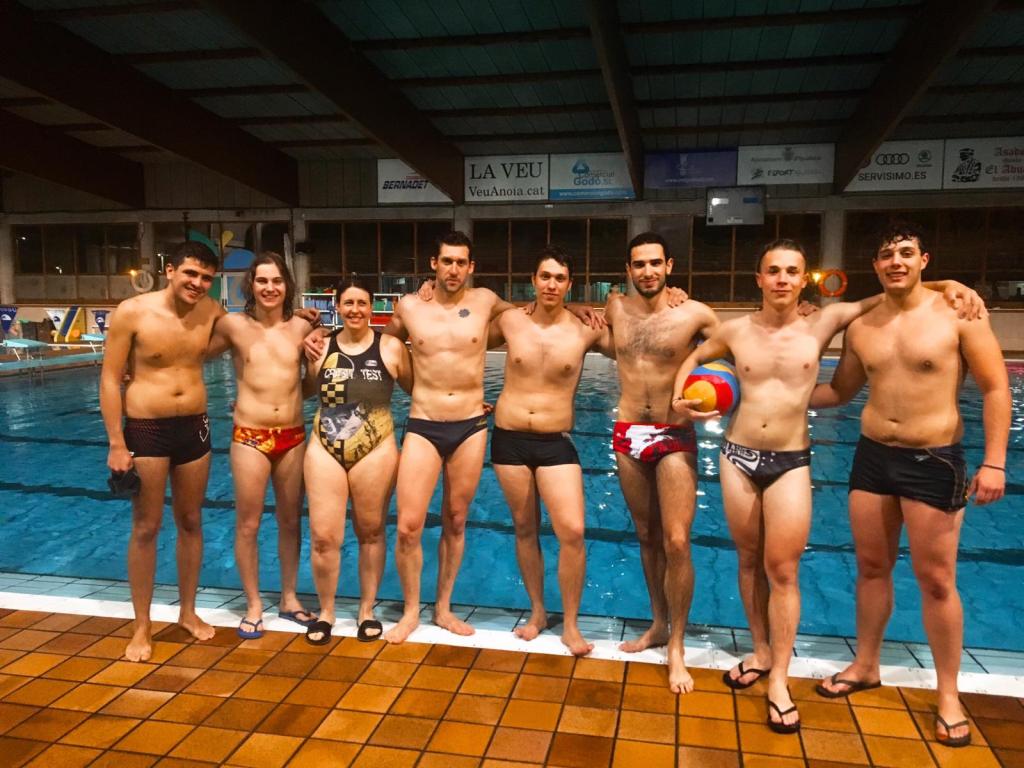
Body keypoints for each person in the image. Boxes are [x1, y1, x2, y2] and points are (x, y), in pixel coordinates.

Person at [672, 238, 983, 733]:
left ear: (804, 279)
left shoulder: (826, 320)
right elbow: (692, 360)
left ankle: (779, 679)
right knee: (748, 560)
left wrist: (949, 284)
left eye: (791, 271)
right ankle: (760, 651)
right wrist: (680, 399)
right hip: (737, 455)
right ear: (759, 278)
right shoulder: (735, 330)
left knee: (783, 569)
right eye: (773, 270)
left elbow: (892, 291)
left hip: (790, 460)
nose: (782, 279)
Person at [811, 223, 1009, 748]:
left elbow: (995, 388)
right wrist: (766, 394)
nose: (895, 261)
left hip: (934, 460)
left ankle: (949, 694)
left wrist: (995, 462)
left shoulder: (959, 313)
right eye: (885, 255)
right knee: (872, 568)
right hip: (872, 457)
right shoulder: (863, 326)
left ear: (924, 259)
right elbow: (839, 391)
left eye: (905, 252)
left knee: (937, 580)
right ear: (875, 266)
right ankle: (866, 664)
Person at [602, 231, 719, 693]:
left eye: (655, 263)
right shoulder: (615, 307)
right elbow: (581, 316)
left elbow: (736, 347)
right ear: (628, 270)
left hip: (674, 432)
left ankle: (677, 646)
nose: (647, 271)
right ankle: (657, 624)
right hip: (627, 432)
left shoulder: (695, 313)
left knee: (676, 540)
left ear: (670, 265)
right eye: (639, 264)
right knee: (647, 536)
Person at [100, 241, 223, 661]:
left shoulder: (211, 311)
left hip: (195, 427)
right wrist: (116, 442)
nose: (198, 283)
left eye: (206, 278)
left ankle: (187, 612)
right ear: (170, 270)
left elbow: (251, 331)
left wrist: (302, 321)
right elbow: (110, 378)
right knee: (146, 527)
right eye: (191, 273)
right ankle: (142, 625)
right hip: (146, 428)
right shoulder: (132, 312)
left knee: (190, 521)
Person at [489, 245, 608, 656]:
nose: (551, 284)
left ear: (570, 284)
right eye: (545, 276)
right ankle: (538, 612)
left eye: (559, 278)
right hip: (508, 439)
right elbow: (458, 340)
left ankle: (571, 625)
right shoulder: (510, 321)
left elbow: (636, 341)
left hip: (555, 441)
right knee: (525, 529)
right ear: (533, 281)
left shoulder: (587, 329)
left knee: (572, 531)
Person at [206, 252, 317, 638]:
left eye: (277, 281)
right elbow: (191, 352)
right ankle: (253, 603)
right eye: (262, 281)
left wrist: (313, 366)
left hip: (292, 436)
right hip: (250, 437)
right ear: (251, 285)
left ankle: (289, 598)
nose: (270, 288)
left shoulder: (302, 327)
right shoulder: (234, 325)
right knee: (248, 523)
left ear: (287, 286)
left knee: (290, 521)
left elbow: (310, 386)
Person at [303, 278, 413, 645]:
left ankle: (367, 610)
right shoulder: (321, 346)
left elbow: (421, 390)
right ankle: (327, 612)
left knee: (371, 531)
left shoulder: (391, 348)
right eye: (348, 303)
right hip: (325, 447)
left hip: (376, 447)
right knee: (323, 537)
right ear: (337, 306)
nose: (355, 310)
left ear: (371, 306)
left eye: (362, 303)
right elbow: (301, 390)